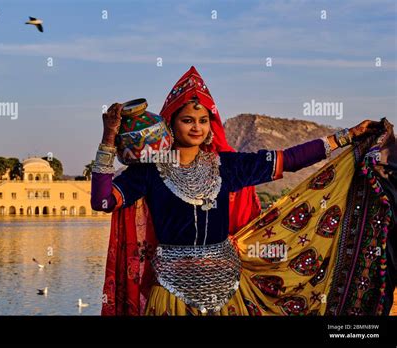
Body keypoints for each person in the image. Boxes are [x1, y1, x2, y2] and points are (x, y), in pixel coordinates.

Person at [91, 66, 393, 315]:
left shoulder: (227, 166)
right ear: (170, 125)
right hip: (172, 296)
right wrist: (108, 139)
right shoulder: (149, 172)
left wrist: (346, 136)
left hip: (227, 294)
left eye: (203, 120)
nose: (196, 127)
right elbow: (102, 200)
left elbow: (288, 159)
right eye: (187, 120)